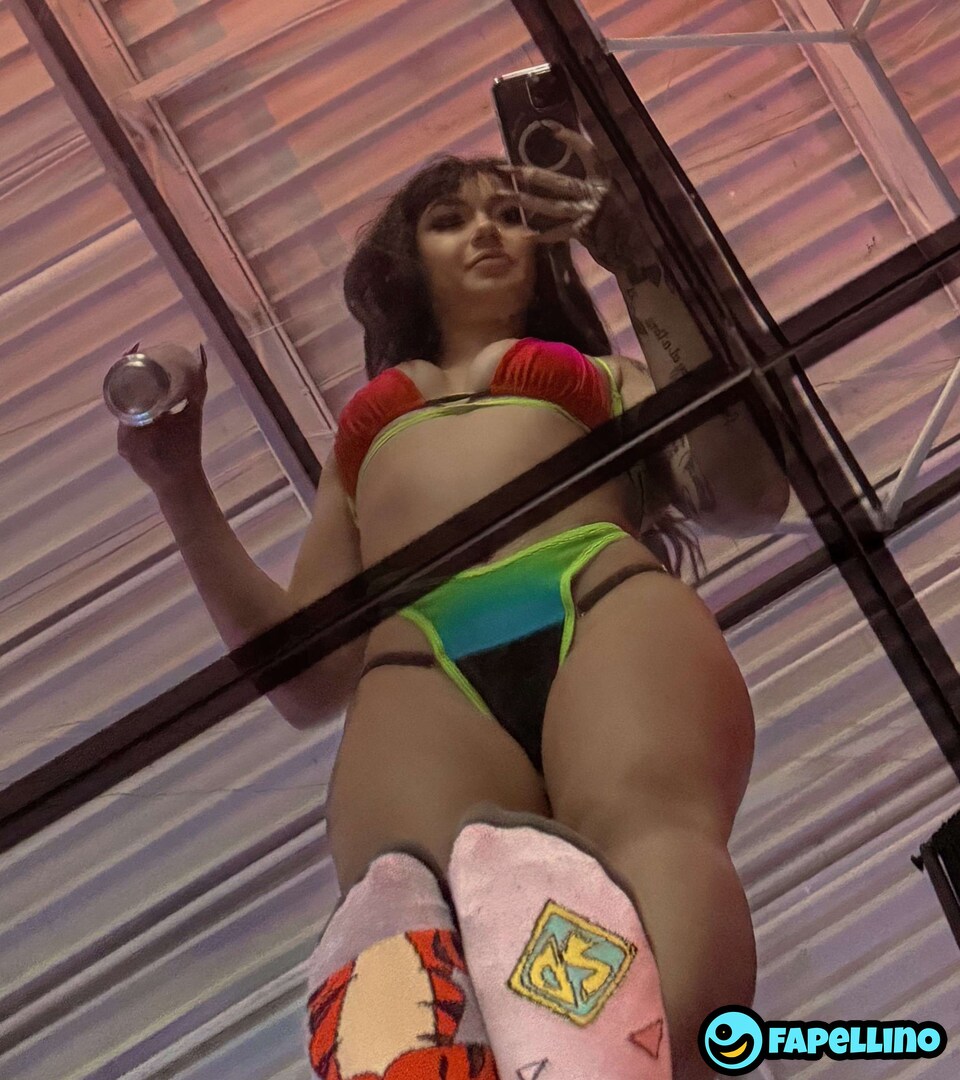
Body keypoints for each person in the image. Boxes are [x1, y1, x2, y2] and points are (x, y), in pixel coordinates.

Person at [118, 127, 789, 1079]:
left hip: (599, 598)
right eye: (449, 218)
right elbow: (306, 676)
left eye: (512, 215)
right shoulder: (360, 438)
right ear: (408, 258)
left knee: (651, 835)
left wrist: (643, 260)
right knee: (406, 896)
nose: (485, 231)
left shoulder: (609, 378)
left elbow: (745, 492)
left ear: (546, 247)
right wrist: (179, 486)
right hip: (418, 660)